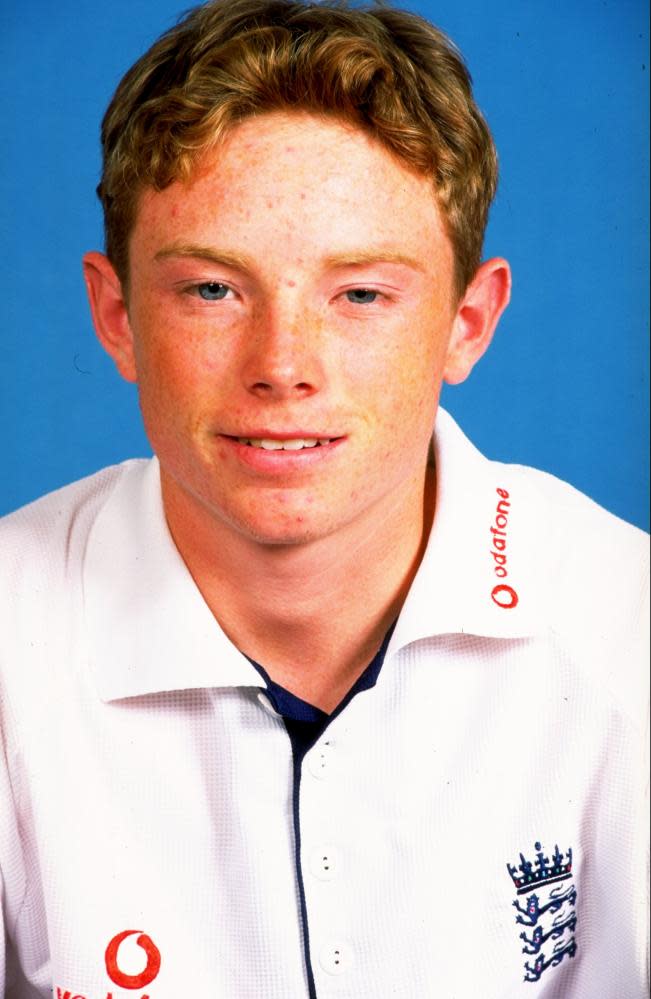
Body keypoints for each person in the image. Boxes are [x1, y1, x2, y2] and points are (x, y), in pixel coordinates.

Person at [0, 1, 647, 996]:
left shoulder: (627, 633)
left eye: (361, 295)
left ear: (466, 325)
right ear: (117, 316)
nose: (283, 367)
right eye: (214, 290)